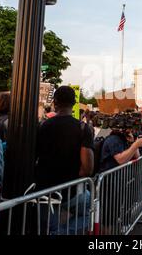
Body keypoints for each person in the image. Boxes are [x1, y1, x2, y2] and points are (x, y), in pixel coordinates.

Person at [35, 86, 94, 235]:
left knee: (48, 229)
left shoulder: (43, 126)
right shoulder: (82, 128)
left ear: (55, 102)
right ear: (74, 103)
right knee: (90, 213)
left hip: (45, 188)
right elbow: (87, 168)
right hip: (71, 189)